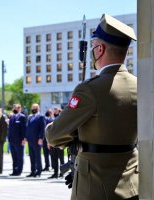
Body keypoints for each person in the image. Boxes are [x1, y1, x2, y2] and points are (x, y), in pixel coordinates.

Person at [46, 14, 138, 200]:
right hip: (133, 184)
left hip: (96, 187)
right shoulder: (141, 85)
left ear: (99, 49)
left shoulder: (90, 89)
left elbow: (54, 135)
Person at [26, 103, 46, 178]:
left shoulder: (41, 117)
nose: (33, 109)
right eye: (32, 107)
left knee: (37, 156)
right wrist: (26, 137)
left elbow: (42, 129)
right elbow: (28, 128)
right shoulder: (30, 117)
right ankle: (32, 171)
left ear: (38, 109)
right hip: (30, 140)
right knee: (32, 156)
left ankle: (39, 171)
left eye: (35, 108)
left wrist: (41, 138)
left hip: (37, 140)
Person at [8, 104, 26, 176]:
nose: (14, 109)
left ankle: (19, 171)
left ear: (19, 108)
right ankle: (14, 170)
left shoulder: (22, 117)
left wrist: (24, 138)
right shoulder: (12, 117)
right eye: (14, 107)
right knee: (14, 157)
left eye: (16, 108)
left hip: (19, 140)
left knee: (19, 156)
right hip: (12, 140)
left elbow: (24, 129)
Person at [48, 108, 65, 179]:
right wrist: (48, 142)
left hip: (60, 142)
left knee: (61, 158)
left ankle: (62, 172)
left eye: (56, 110)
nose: (54, 111)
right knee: (53, 158)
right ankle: (55, 173)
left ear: (59, 111)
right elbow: (49, 132)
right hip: (52, 142)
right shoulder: (51, 119)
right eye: (54, 110)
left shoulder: (62, 119)